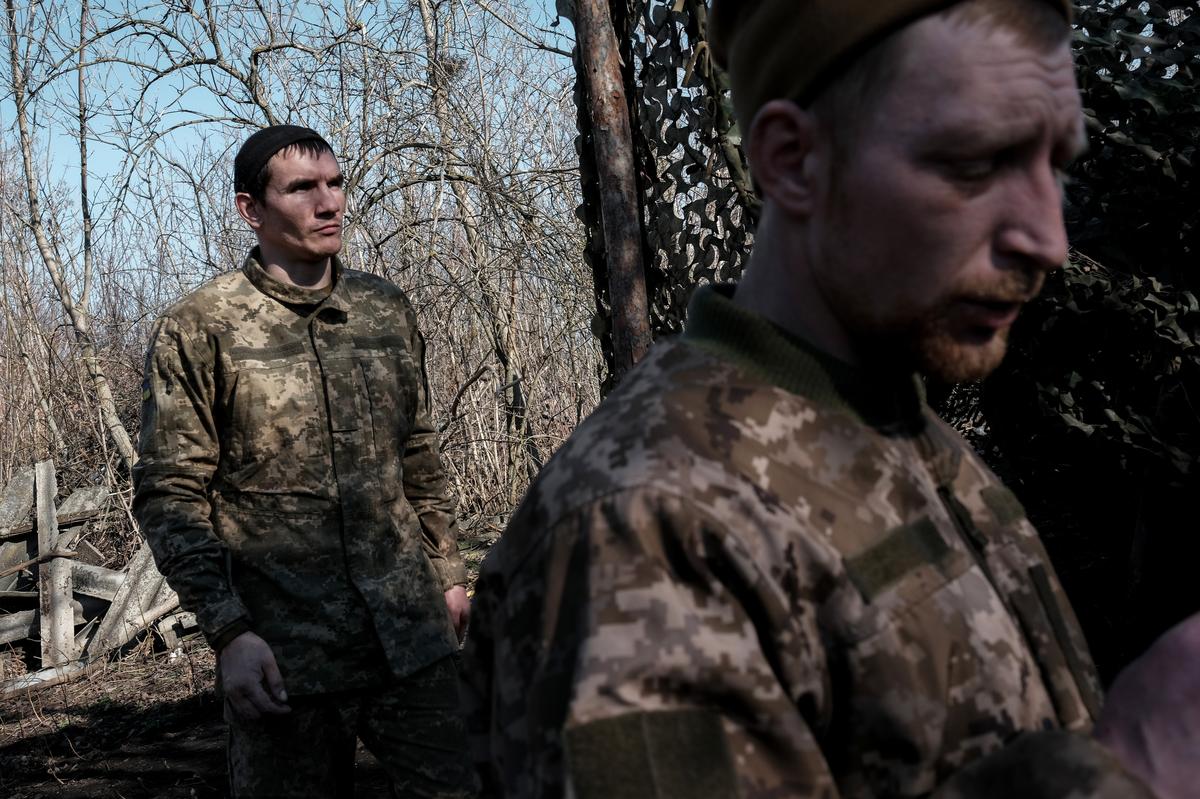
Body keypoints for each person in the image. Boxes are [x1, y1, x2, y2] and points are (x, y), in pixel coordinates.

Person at [460, 1, 1200, 797]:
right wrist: (1131, 769)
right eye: (976, 164)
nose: (1048, 238)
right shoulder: (651, 525)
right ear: (792, 160)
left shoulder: (906, 427)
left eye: (1055, 165)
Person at [133, 125, 477, 798]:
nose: (330, 204)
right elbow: (171, 493)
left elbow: (417, 453)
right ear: (250, 209)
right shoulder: (202, 326)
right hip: (284, 658)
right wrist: (229, 631)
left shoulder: (383, 309)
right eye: (302, 188)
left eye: (336, 183)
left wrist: (448, 570)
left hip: (409, 636)